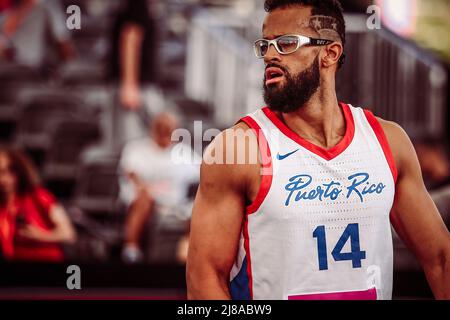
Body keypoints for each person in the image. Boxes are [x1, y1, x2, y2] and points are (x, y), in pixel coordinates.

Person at [187, 0, 450, 300]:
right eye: (266, 45)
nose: (270, 55)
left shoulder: (388, 141)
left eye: (285, 43)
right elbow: (203, 281)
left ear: (330, 53)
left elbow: (441, 258)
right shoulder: (239, 149)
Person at [119, 112, 200, 264]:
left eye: (168, 130)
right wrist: (147, 189)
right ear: (153, 129)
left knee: (198, 209)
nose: (164, 133)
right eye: (161, 129)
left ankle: (187, 258)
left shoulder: (184, 153)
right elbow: (131, 174)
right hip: (141, 201)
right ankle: (131, 249)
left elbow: (204, 171)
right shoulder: (136, 149)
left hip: (175, 204)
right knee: (145, 200)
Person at [0, 147, 76, 262]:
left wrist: (40, 235)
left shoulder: (39, 196)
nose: (4, 179)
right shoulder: (3, 207)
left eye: (9, 171)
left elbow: (68, 234)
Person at [0, 0, 74, 68]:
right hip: (10, 68)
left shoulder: (48, 3)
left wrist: (71, 65)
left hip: (34, 67)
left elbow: (62, 39)